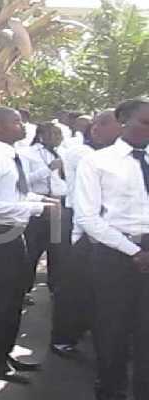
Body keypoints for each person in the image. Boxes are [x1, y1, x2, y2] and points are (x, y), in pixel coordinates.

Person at [0, 106, 57, 384]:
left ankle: (3, 352)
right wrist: (35, 209)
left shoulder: (9, 156)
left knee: (13, 298)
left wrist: (40, 200)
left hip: (11, 233)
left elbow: (15, 191)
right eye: (15, 122)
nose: (22, 126)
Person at [73, 98, 149, 400]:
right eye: (145, 122)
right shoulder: (97, 161)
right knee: (113, 326)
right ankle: (111, 388)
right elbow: (88, 217)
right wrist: (134, 252)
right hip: (116, 252)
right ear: (123, 122)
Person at [50, 109, 123, 358]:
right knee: (76, 286)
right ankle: (65, 337)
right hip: (84, 226)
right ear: (96, 129)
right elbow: (89, 200)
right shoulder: (85, 154)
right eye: (119, 125)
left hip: (109, 228)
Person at [21, 123, 67, 294]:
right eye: (55, 134)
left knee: (57, 251)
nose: (59, 138)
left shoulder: (63, 152)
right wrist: (48, 169)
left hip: (58, 205)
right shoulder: (28, 154)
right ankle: (24, 290)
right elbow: (24, 181)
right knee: (32, 251)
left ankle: (55, 289)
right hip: (38, 207)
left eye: (60, 134)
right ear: (41, 135)